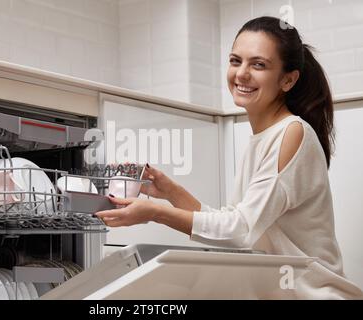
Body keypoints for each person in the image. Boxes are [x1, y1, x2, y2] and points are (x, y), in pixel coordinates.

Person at [95, 16, 363, 299]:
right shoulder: (264, 136)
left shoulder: (291, 133)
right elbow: (237, 224)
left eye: (258, 64)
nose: (242, 74)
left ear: (288, 79)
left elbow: (240, 231)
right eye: (236, 61)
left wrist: (156, 213)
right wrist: (170, 192)